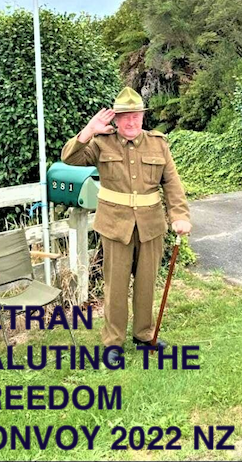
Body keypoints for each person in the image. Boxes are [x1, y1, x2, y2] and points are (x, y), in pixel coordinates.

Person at [61, 86, 192, 363]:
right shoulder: (100, 143)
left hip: (151, 226)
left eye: (136, 117)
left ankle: (144, 335)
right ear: (116, 120)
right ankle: (113, 343)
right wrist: (88, 131)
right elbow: (69, 158)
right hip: (115, 226)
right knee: (116, 287)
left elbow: (172, 183)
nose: (131, 122)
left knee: (146, 285)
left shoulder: (158, 143)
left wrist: (179, 215)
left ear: (143, 117)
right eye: (125, 117)